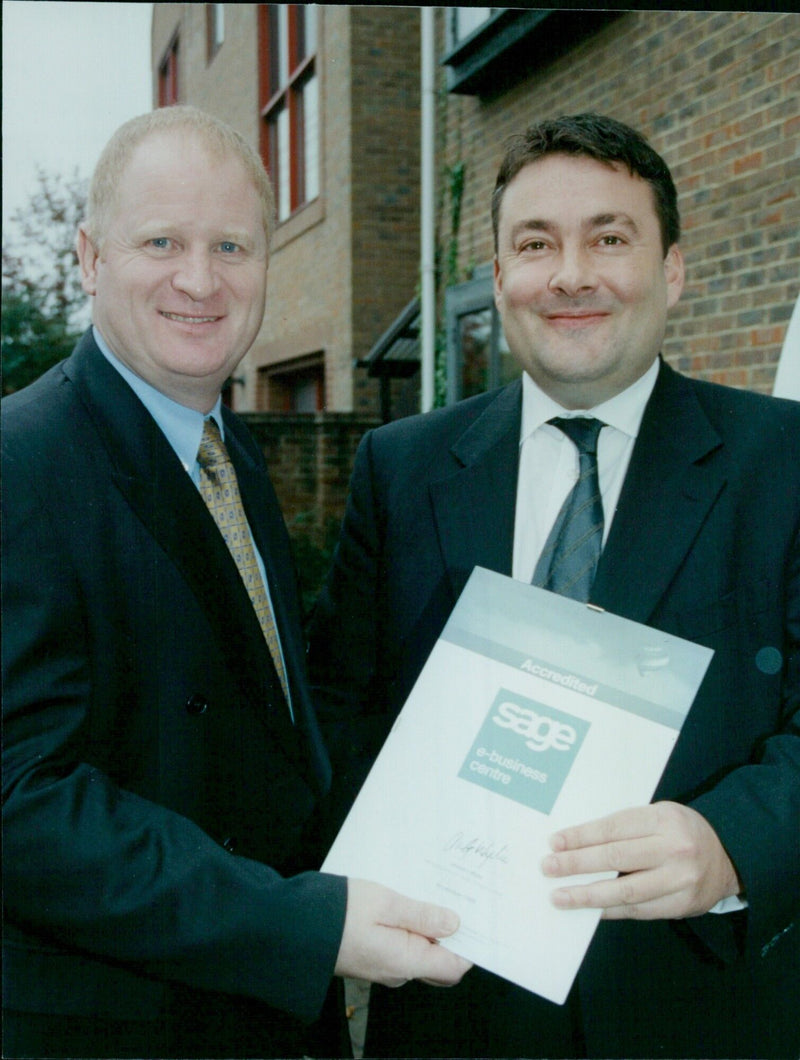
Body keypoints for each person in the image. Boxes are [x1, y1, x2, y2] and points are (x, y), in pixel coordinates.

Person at [308, 113, 800, 1058]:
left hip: (703, 1010)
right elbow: (340, 709)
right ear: (499, 280)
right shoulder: (401, 471)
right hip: (452, 1007)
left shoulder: (782, 464)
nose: (570, 274)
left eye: (609, 238)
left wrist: (734, 841)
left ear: (674, 270)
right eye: (536, 244)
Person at [1, 105, 470, 1060]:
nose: (199, 280)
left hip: (262, 1017)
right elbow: (22, 802)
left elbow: (273, 735)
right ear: (89, 258)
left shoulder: (229, 453)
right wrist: (301, 925)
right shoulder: (20, 461)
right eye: (161, 241)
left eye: (232, 245)